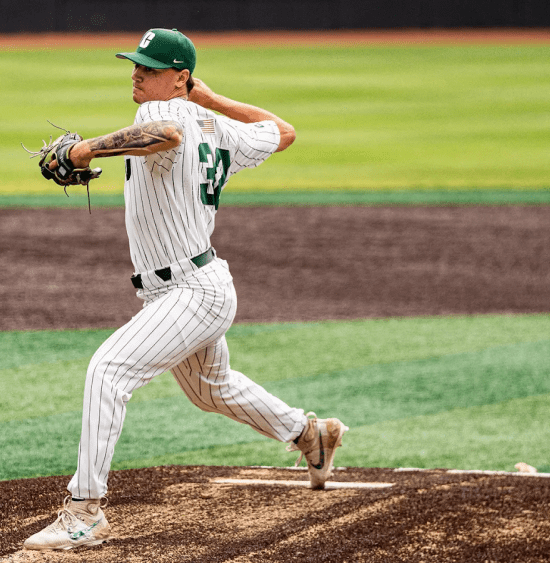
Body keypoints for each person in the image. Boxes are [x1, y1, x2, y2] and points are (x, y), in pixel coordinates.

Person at [23, 28, 347, 552]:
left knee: (108, 371)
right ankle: (311, 435)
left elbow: (168, 134)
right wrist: (209, 99)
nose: (137, 74)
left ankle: (83, 512)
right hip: (200, 286)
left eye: (150, 68)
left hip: (190, 292)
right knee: (210, 390)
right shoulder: (219, 127)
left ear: (179, 78)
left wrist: (81, 152)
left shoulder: (160, 112)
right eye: (136, 64)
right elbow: (283, 132)